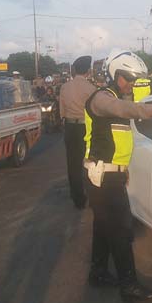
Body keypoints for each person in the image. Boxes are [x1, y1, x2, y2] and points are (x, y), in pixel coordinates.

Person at [84, 50, 152, 302]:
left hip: (110, 174)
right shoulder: (102, 99)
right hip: (102, 177)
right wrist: (151, 110)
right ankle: (129, 285)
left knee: (103, 226)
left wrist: (122, 172)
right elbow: (121, 108)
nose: (131, 84)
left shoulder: (116, 98)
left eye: (134, 80)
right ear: (116, 74)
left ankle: (98, 272)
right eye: (128, 78)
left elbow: (119, 141)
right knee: (121, 230)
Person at [59, 55, 97, 209]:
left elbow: (61, 111)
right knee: (89, 162)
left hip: (70, 127)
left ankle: (77, 198)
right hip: (85, 128)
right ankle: (92, 196)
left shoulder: (64, 87)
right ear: (88, 71)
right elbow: (95, 111)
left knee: (73, 164)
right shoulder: (91, 89)